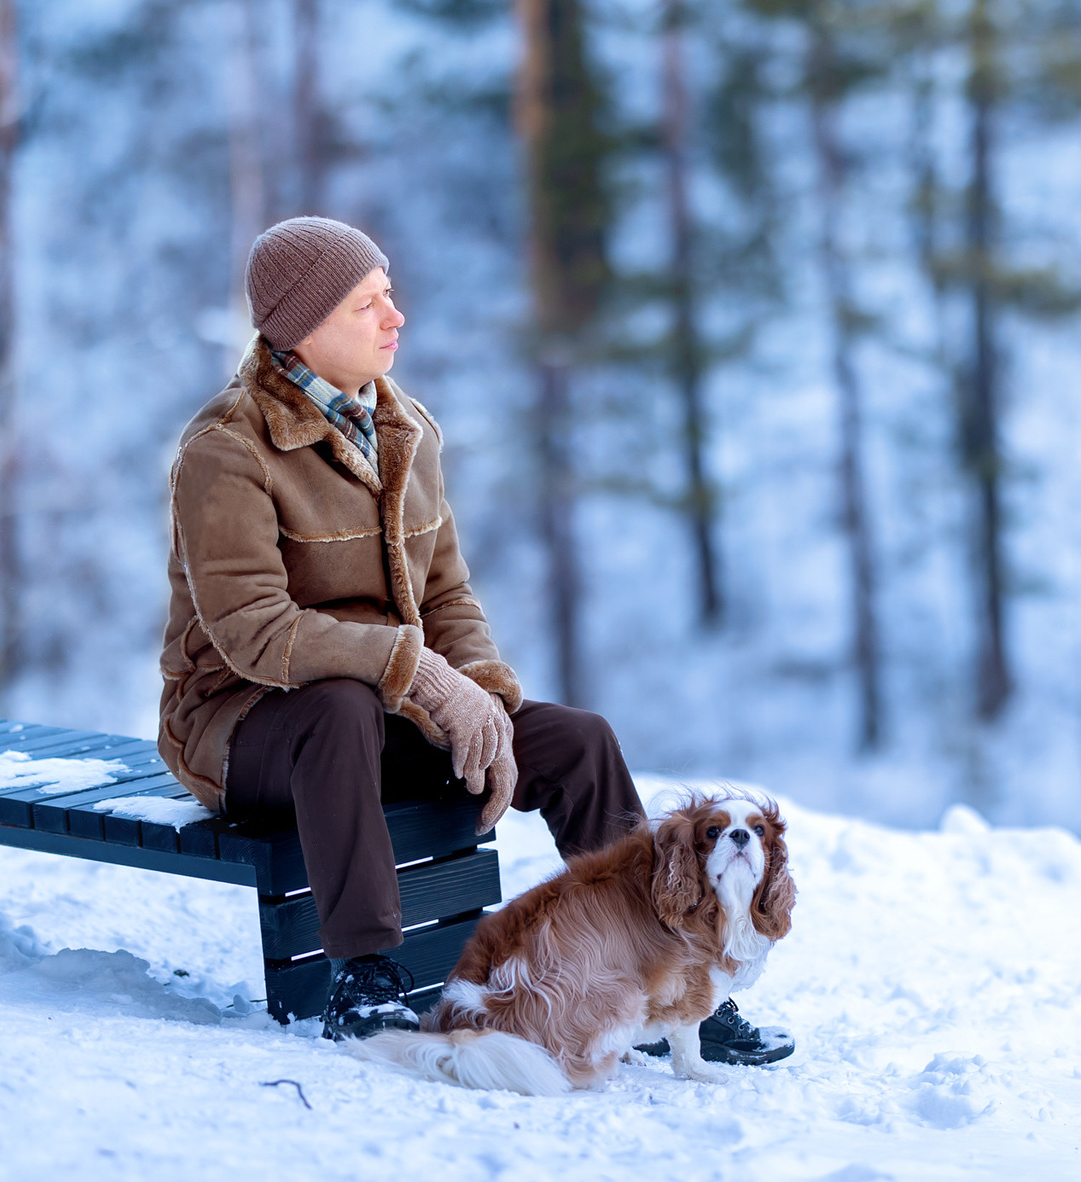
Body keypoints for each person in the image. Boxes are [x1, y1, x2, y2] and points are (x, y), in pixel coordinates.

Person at [157, 216, 794, 1064]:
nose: (396, 316)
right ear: (303, 326)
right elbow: (252, 629)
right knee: (338, 708)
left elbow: (447, 593)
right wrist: (421, 674)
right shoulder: (228, 449)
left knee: (576, 740)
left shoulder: (405, 429)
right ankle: (366, 972)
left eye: (389, 294)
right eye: (367, 303)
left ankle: (672, 973)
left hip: (387, 705)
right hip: (247, 725)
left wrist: (483, 698)